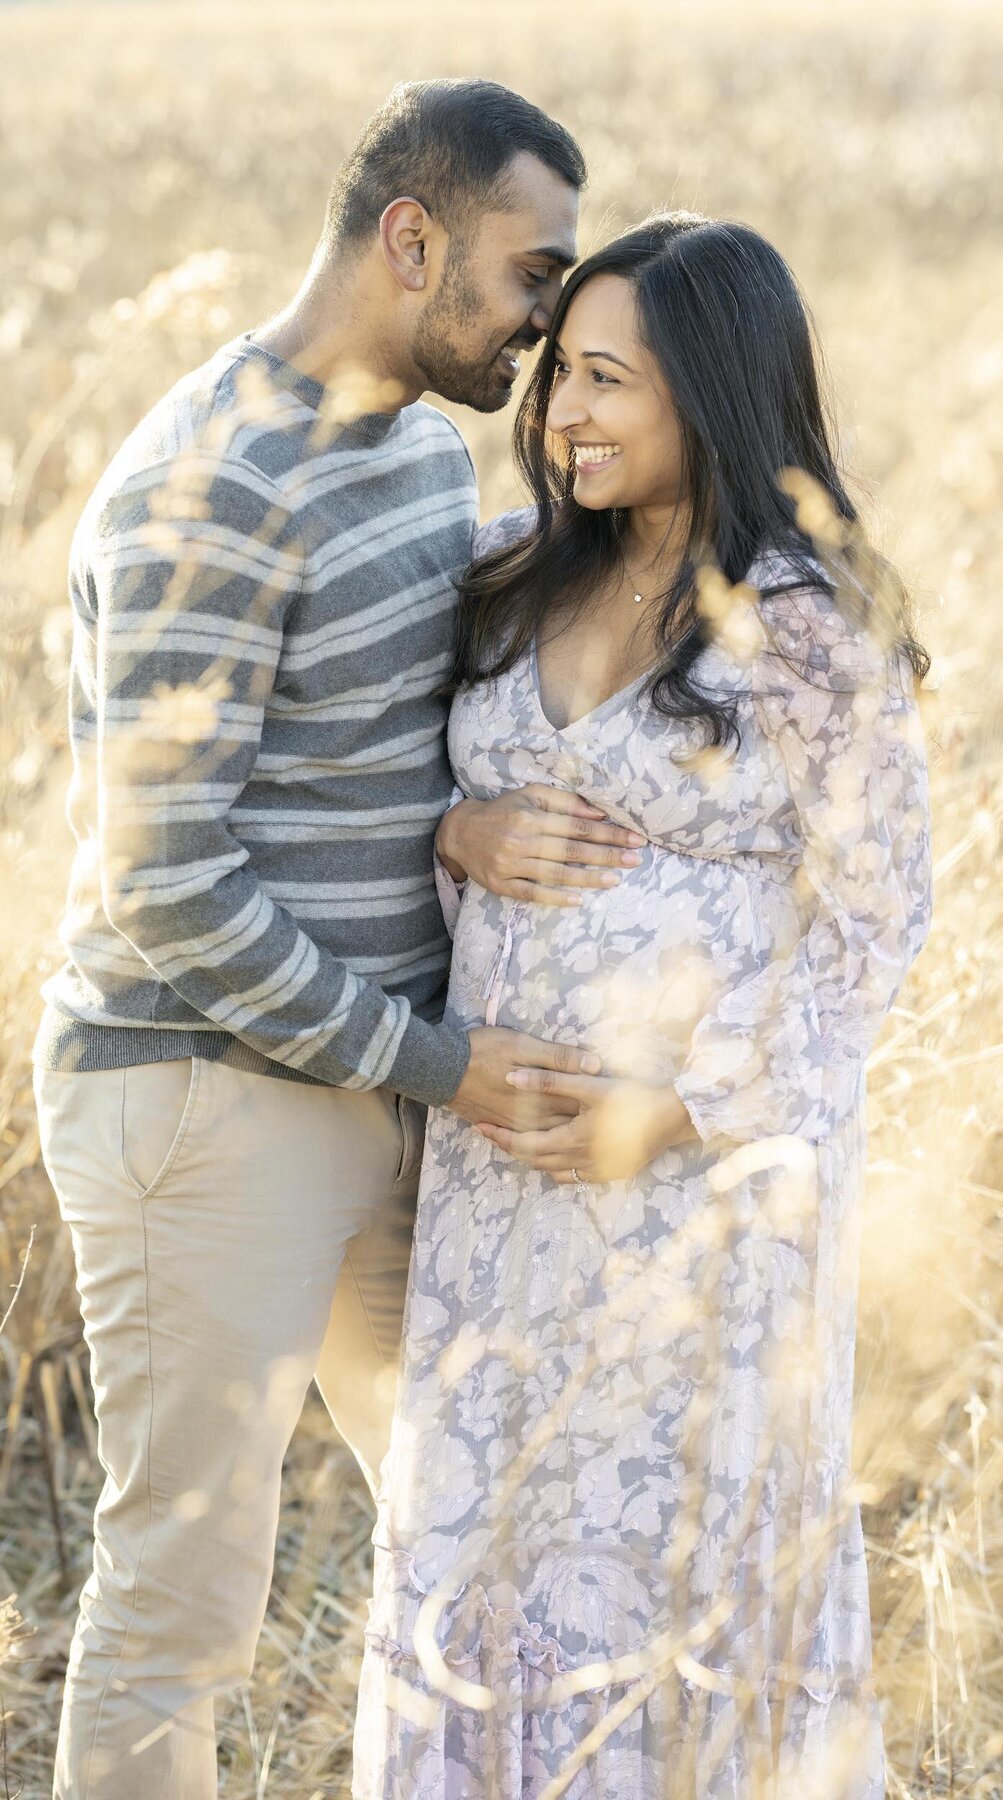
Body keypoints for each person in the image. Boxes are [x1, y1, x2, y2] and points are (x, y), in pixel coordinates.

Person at [31, 79, 649, 1800]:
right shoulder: (205, 487)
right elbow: (167, 886)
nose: (545, 323)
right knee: (185, 1605)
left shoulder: (404, 448)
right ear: (412, 238)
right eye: (534, 276)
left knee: (480, 1535)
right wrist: (442, 1066)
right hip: (203, 1102)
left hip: (374, 1088)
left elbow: (391, 714)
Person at [354, 214, 934, 1798]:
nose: (565, 418)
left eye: (609, 382)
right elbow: (401, 799)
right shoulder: (508, 573)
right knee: (490, 1541)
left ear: (717, 397)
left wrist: (675, 1110)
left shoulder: (806, 627)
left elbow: (877, 922)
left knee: (663, 1569)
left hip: (697, 1201)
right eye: (560, 378)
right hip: (497, 1177)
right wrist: (455, 835)